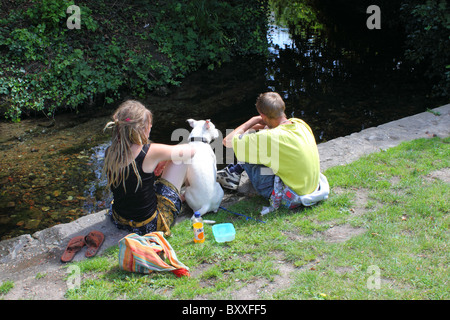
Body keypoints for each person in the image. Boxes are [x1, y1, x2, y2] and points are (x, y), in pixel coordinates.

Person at [103, 100, 195, 236]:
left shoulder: (110, 151)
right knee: (181, 159)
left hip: (119, 220)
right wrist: (165, 159)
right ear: (143, 129)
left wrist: (163, 159)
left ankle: (180, 197)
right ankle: (190, 195)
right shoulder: (151, 151)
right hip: (148, 225)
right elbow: (190, 150)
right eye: (149, 126)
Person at [218, 92, 321, 204]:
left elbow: (227, 141)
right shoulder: (300, 124)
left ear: (262, 116)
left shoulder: (270, 137)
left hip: (287, 195)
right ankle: (234, 171)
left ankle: (233, 173)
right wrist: (263, 124)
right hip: (309, 188)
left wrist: (253, 120)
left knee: (249, 147)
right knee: (261, 137)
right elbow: (271, 127)